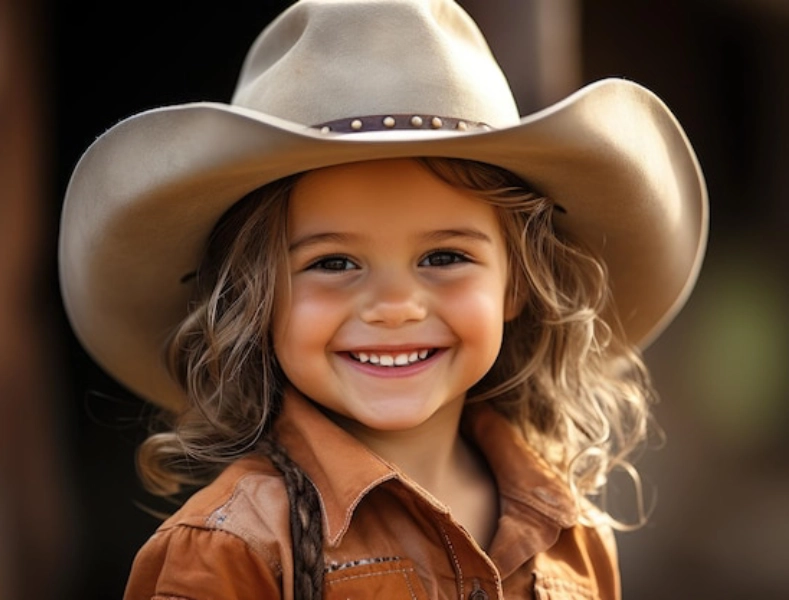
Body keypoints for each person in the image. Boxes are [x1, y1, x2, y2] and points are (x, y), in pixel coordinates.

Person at [58, 0, 708, 598]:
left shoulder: (569, 531)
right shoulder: (230, 552)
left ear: (516, 284)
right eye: (333, 262)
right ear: (255, 302)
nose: (393, 305)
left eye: (444, 257)